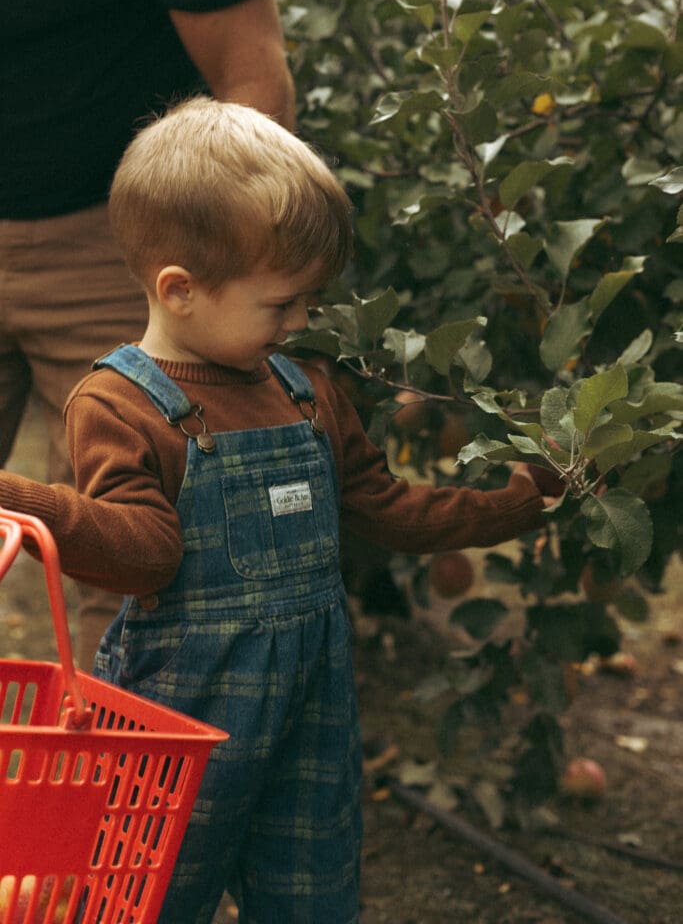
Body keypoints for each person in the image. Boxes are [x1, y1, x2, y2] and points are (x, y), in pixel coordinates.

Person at [0, 99, 559, 923]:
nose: (300, 321)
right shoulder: (120, 405)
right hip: (185, 719)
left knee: (311, 894)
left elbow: (386, 506)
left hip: (311, 707)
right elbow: (144, 552)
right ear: (180, 291)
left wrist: (514, 500)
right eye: (281, 304)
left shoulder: (303, 390)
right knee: (151, 891)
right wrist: (18, 498)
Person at [0, 0, 295, 669]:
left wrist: (238, 282)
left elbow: (250, 75)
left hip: (119, 243)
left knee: (142, 571)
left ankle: (120, 786)